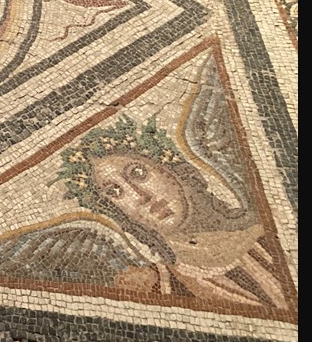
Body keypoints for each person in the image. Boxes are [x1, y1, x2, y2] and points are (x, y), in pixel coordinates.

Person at [55, 116, 290, 310]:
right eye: (115, 192)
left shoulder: (274, 237)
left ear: (172, 171)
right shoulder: (154, 286)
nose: (140, 196)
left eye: (138, 173)